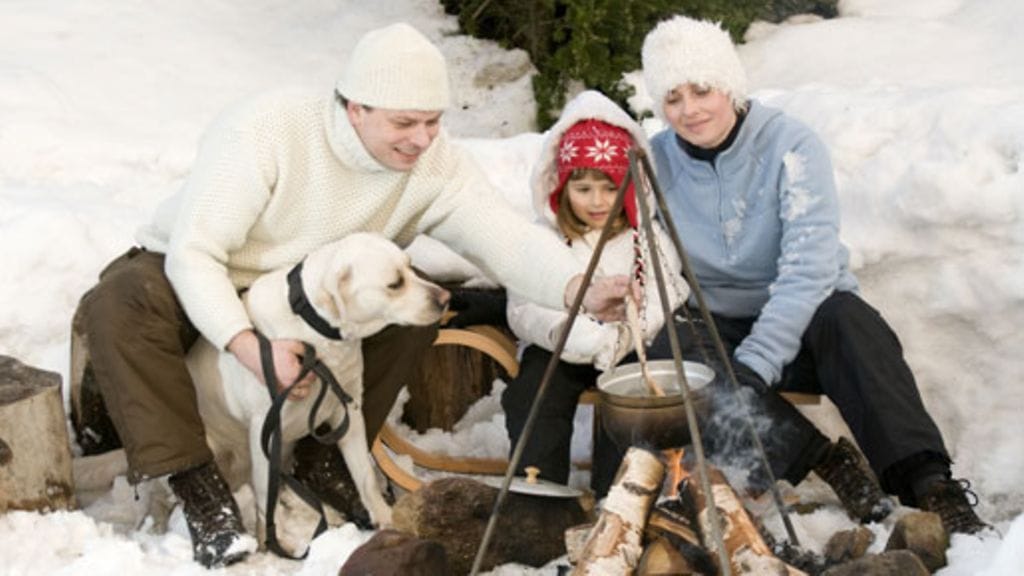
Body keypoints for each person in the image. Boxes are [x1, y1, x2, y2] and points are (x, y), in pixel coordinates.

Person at [74, 23, 632, 568]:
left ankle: (324, 457)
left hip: (315, 292)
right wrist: (249, 346)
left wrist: (579, 288)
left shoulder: (430, 164)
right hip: (214, 266)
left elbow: (502, 238)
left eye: (433, 121)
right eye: (405, 122)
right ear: (354, 108)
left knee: (413, 311)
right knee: (119, 304)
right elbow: (195, 255)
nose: (421, 138)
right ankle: (200, 487)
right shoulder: (268, 129)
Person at [638, 15, 990, 535]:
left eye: (702, 89)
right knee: (675, 356)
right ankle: (828, 462)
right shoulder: (654, 160)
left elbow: (809, 267)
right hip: (712, 325)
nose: (689, 110)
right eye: (672, 98)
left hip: (803, 316)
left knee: (850, 322)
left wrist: (757, 362)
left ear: (729, 85)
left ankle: (930, 482)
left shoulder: (790, 146)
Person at [501, 90, 691, 497]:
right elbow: (524, 306)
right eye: (583, 188)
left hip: (629, 344)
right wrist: (578, 337)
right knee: (536, 393)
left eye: (609, 188)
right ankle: (542, 495)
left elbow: (670, 290)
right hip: (561, 345)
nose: (597, 201)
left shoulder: (645, 236)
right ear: (561, 185)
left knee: (631, 397)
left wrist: (634, 323)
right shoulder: (544, 238)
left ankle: (618, 496)